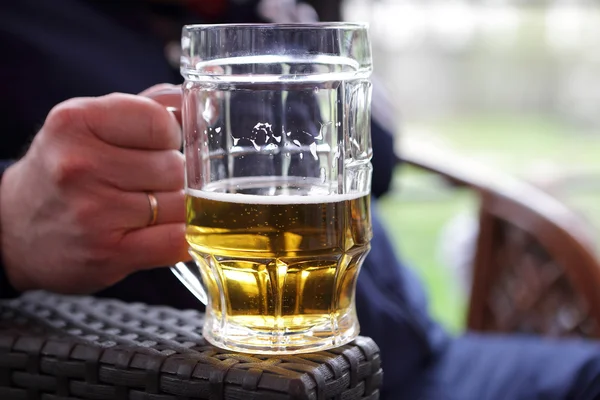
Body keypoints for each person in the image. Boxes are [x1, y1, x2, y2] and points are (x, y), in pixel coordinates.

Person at [1, 1, 600, 399]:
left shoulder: (257, 14)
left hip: (424, 354)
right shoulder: (31, 29)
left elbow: (383, 159)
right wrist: (8, 220)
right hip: (272, 381)